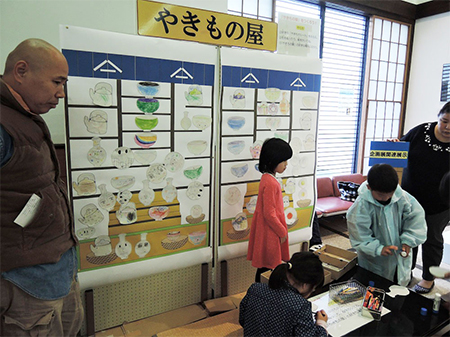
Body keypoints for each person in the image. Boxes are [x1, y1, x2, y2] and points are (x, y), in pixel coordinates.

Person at [0, 39, 82, 336]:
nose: (61, 93)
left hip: (56, 270)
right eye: (56, 82)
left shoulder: (26, 117)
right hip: (26, 283)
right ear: (21, 70)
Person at [393, 102, 450, 293]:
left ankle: (428, 278)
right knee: (408, 237)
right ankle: (406, 271)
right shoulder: (420, 132)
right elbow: (399, 148)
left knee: (432, 240)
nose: (448, 127)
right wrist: (393, 146)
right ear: (438, 117)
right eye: (444, 121)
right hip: (410, 198)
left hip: (440, 203)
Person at [347, 164, 427, 286]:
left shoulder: (403, 198)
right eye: (380, 195)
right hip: (375, 260)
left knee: (398, 286)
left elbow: (416, 219)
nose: (386, 198)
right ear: (369, 187)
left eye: (390, 194)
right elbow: (359, 236)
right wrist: (378, 249)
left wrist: (408, 240)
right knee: (375, 288)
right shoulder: (361, 206)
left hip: (399, 255)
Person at [239, 252, 328, 337]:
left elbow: (242, 320)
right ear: (305, 285)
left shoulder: (255, 289)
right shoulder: (301, 306)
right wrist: (321, 323)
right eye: (313, 289)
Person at [247, 137, 293, 282]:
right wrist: (282, 231)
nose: (286, 164)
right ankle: (263, 294)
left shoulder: (267, 179)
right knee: (268, 266)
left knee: (265, 265)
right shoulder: (271, 182)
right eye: (283, 160)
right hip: (270, 231)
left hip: (268, 228)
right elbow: (269, 213)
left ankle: (261, 293)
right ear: (273, 160)